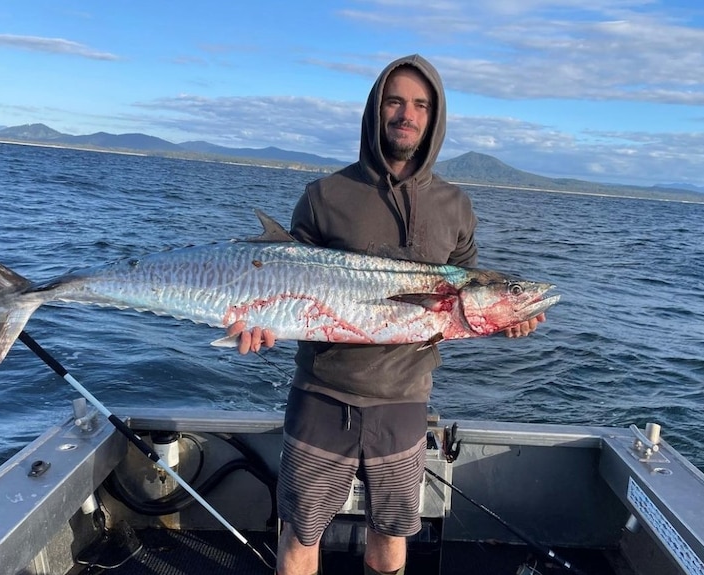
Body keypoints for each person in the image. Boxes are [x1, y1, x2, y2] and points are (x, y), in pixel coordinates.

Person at [228, 54, 546, 575]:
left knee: (391, 534)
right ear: (377, 109)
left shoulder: (456, 205)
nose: (407, 113)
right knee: (300, 533)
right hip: (321, 396)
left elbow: (469, 292)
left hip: (404, 402)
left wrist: (506, 319)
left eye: (421, 104)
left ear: (434, 117)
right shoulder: (324, 195)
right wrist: (263, 325)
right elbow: (285, 279)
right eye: (396, 101)